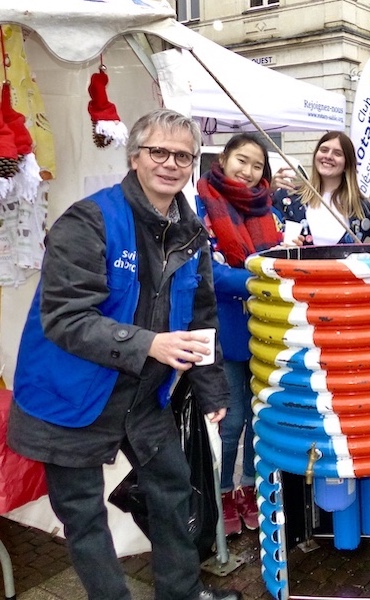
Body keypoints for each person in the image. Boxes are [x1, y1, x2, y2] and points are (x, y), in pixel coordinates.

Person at [8, 109, 241, 600]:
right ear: (135, 156)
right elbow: (65, 318)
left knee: (174, 491)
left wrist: (211, 389)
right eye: (158, 151)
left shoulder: (190, 232)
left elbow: (202, 319)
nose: (170, 164)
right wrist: (149, 344)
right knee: (84, 517)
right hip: (68, 396)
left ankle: (181, 593)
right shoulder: (87, 220)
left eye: (182, 155)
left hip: (141, 393)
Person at [195, 133, 280, 536]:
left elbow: (279, 255)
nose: (248, 172)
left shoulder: (266, 207)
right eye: (241, 161)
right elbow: (208, 272)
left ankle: (248, 485)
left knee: (257, 417)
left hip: (265, 329)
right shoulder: (202, 203)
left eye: (257, 166)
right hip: (224, 329)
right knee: (230, 421)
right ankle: (223, 490)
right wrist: (263, 278)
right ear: (224, 158)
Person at [276, 131, 370, 245]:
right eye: (324, 150)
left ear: (347, 164)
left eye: (337, 153)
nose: (328, 156)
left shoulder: (362, 208)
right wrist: (266, 187)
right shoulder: (289, 198)